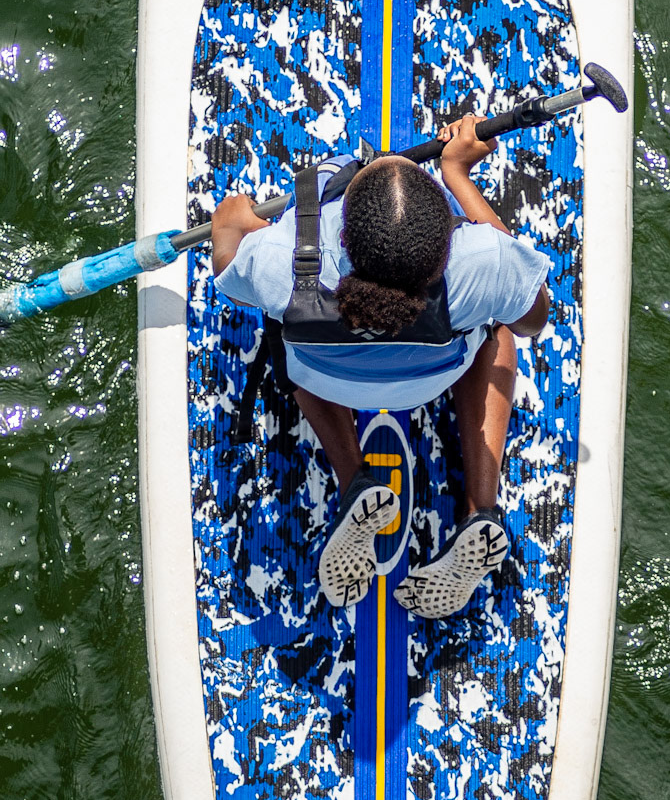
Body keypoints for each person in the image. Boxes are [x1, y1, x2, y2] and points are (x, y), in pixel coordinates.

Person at [210, 116, 551, 618]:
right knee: (497, 328)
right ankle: (481, 507)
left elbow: (228, 262)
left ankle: (355, 484)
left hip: (330, 378)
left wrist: (231, 219)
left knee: (283, 328)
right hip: (431, 378)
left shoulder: (281, 259)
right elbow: (532, 320)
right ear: (444, 245)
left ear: (344, 236)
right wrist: (457, 176)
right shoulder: (481, 262)